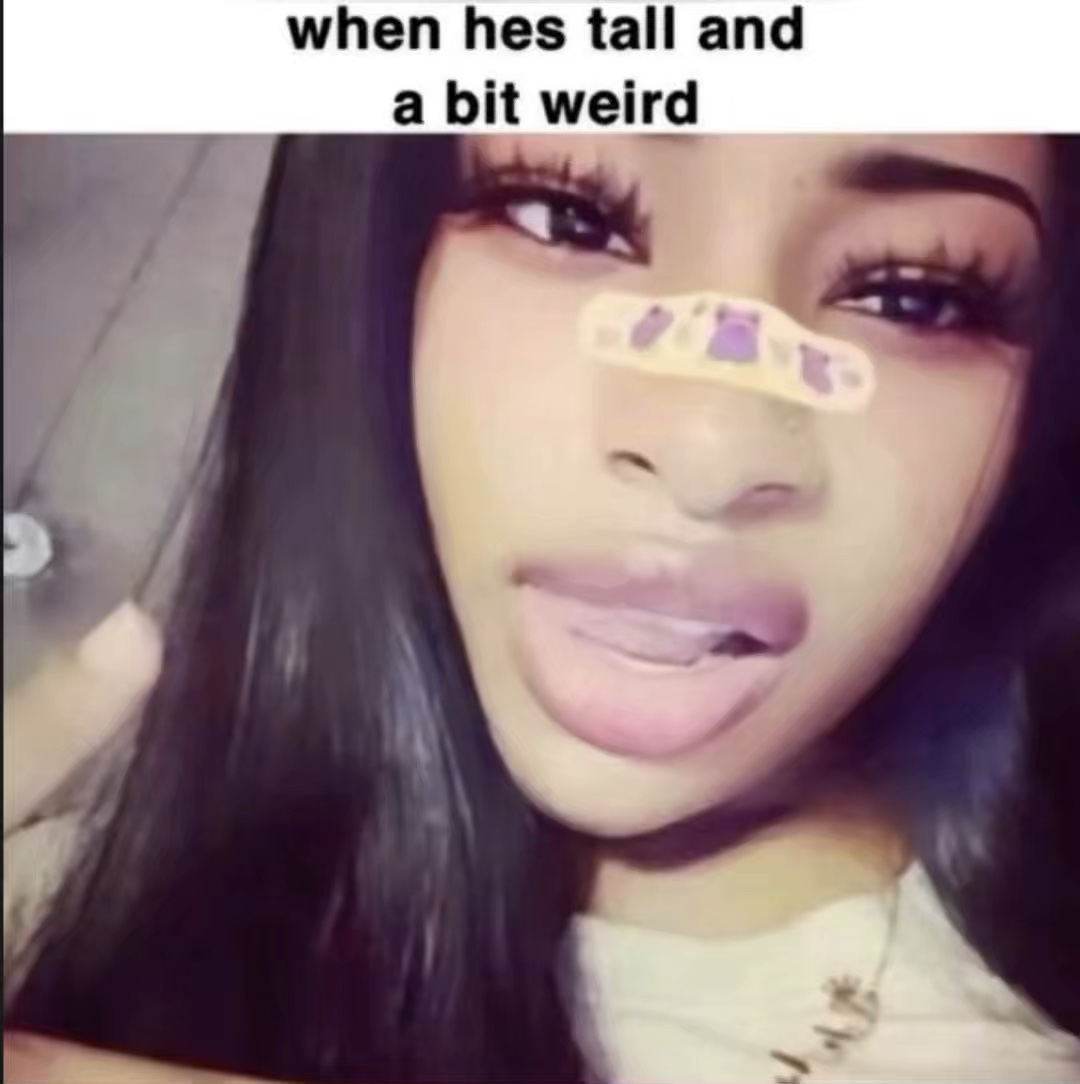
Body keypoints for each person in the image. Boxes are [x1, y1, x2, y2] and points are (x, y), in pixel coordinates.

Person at [3, 135, 1079, 1084]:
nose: (710, 456)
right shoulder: (45, 922)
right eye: (568, 214)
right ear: (371, 265)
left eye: (913, 296)